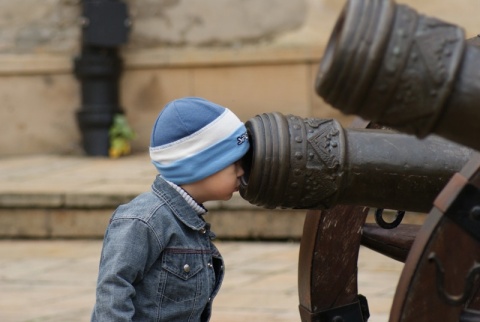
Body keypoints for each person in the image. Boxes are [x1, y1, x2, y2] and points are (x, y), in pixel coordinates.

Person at [91, 97, 250, 321]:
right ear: (200, 165)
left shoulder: (189, 220)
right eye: (235, 162)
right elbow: (113, 291)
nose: (242, 172)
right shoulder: (143, 220)